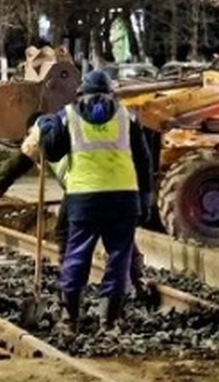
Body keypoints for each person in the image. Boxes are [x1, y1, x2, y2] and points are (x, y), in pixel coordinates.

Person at [0, 118, 154, 306]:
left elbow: (18, 163)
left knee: (65, 233)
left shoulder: (41, 128)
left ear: (29, 129)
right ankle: (139, 283)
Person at [39, 70, 153, 330]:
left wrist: (46, 127)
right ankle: (109, 320)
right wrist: (146, 200)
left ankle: (70, 319)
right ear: (111, 93)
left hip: (84, 199)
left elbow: (52, 152)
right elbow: (144, 162)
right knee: (119, 258)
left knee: (77, 254)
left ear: (82, 92)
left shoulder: (67, 116)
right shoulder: (128, 118)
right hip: (124, 199)